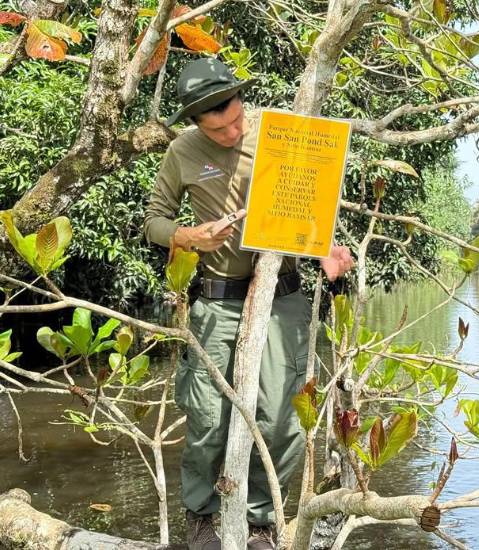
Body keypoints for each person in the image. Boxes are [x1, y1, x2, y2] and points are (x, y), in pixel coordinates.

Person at [143, 58, 353, 550]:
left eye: (237, 119)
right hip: (216, 303)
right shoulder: (182, 151)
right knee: (208, 419)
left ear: (242, 100)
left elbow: (308, 204)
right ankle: (202, 517)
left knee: (281, 419)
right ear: (197, 123)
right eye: (217, 129)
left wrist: (325, 246)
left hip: (282, 298)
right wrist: (188, 236)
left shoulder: (281, 133)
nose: (231, 131)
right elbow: (154, 219)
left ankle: (262, 521)